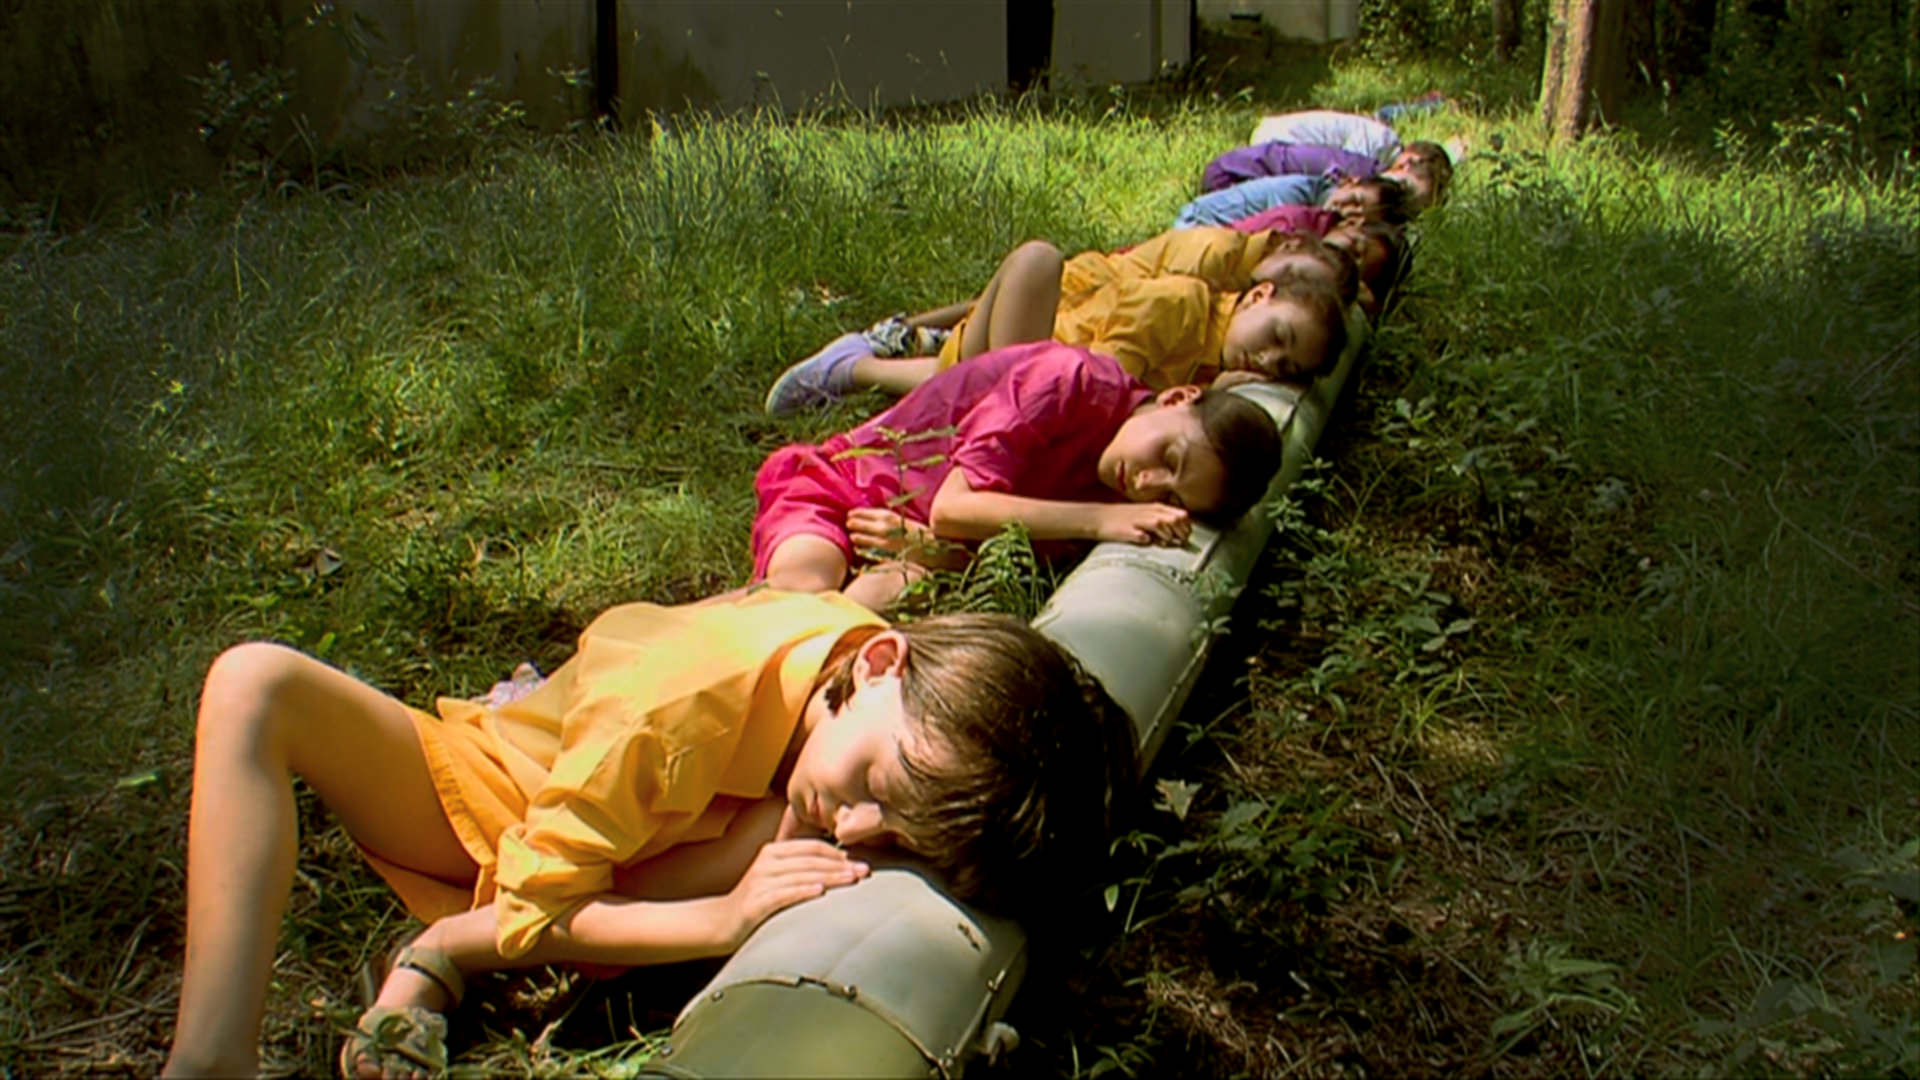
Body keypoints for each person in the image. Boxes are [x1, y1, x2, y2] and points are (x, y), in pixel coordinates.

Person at [161, 588, 1134, 1079]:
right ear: (880, 663)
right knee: (256, 681)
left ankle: (436, 958)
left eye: (905, 837)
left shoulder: (867, 676)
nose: (860, 829)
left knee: (783, 819)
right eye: (879, 787)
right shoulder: (669, 719)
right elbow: (539, 910)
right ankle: (210, 1059)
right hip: (490, 804)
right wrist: (721, 920)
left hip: (625, 823)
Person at [754, 341, 1283, 611]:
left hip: (916, 547)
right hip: (839, 489)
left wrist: (940, 554)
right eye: (1170, 457)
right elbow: (953, 509)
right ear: (1178, 397)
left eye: (1170, 494)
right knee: (804, 589)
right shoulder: (1070, 380)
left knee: (863, 613)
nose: (1146, 484)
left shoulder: (1121, 494)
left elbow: (996, 556)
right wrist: (1100, 520)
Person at [764, 239, 1347, 416]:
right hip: (1034, 355)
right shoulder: (1185, 306)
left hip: (1025, 370)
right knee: (991, 383)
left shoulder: (1218, 356)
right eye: (1278, 338)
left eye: (1285, 367)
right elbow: (1103, 382)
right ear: (1258, 295)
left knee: (967, 383)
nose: (1268, 362)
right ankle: (857, 365)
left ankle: (853, 366)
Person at [1173, 173, 1413, 231]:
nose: (1349, 211)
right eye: (1355, 200)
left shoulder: (1321, 209)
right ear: (1350, 182)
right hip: (1197, 223)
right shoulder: (1297, 194)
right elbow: (1276, 236)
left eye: (1360, 217)